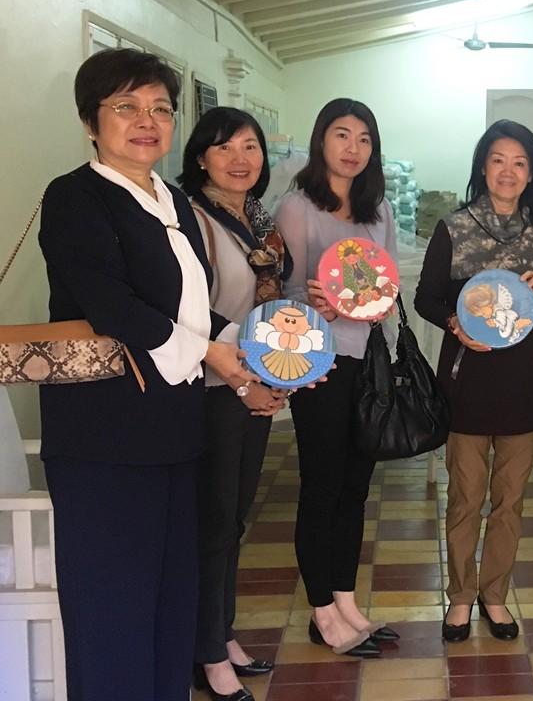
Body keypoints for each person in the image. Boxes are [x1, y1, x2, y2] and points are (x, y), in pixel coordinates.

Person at [37, 48, 255, 701]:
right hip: (104, 442)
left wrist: (253, 351)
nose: (147, 120)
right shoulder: (75, 197)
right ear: (90, 120)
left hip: (173, 433)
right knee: (112, 608)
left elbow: (189, 308)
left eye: (160, 107)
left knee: (169, 600)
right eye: (126, 106)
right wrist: (213, 354)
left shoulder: (171, 200)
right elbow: (113, 306)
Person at [414, 120, 533, 643]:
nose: (508, 171)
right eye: (499, 159)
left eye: (520, 163)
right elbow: (426, 297)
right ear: (483, 165)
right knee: (465, 498)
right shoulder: (454, 227)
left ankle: (494, 596)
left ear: (531, 173)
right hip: (467, 381)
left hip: (524, 383)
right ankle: (459, 597)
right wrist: (456, 323)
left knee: (510, 501)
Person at [275, 98, 398, 658]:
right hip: (320, 365)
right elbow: (283, 292)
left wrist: (385, 334)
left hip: (368, 362)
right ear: (320, 140)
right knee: (321, 486)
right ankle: (321, 611)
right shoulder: (298, 207)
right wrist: (315, 301)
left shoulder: (380, 211)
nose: (353, 148)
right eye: (341, 135)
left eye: (364, 139)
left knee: (355, 487)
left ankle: (346, 602)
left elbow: (389, 287)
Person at [179, 107, 292, 700]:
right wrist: (246, 360)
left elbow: (275, 300)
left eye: (251, 147)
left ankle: (220, 635)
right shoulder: (189, 215)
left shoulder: (257, 219)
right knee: (215, 523)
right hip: (213, 386)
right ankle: (205, 651)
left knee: (235, 518)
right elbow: (190, 308)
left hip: (255, 379)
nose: (241, 159)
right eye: (226, 148)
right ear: (201, 156)